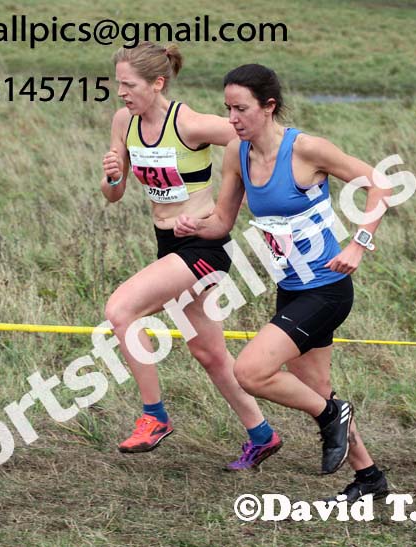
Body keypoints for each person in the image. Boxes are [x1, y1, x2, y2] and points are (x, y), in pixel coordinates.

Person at [174, 64, 390, 500]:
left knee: (250, 371)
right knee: (315, 389)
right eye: (227, 109)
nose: (232, 119)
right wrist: (190, 228)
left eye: (241, 109)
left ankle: (333, 415)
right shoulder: (237, 154)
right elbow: (221, 222)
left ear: (268, 107)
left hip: (328, 288)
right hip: (291, 289)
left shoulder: (307, 149)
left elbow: (381, 184)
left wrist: (359, 243)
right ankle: (369, 478)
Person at [100, 44, 281, 470]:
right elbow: (114, 195)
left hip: (203, 246)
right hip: (167, 244)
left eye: (129, 85)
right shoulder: (124, 121)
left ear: (157, 83)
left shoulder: (191, 123)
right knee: (210, 354)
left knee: (122, 311)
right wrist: (112, 174)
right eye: (118, 83)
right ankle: (262, 434)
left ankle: (154, 417)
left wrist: (234, 199)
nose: (121, 92)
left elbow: (253, 136)